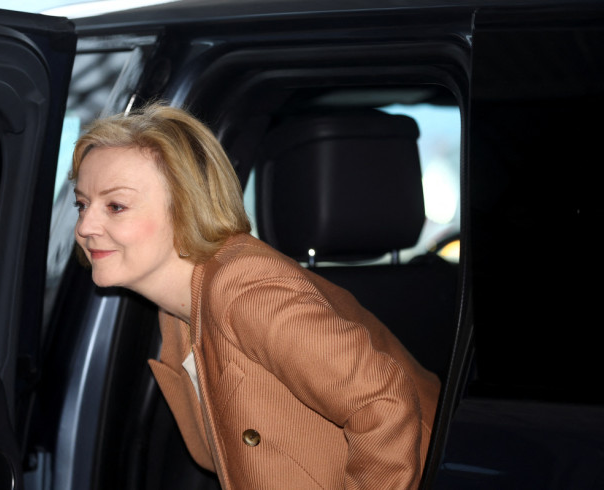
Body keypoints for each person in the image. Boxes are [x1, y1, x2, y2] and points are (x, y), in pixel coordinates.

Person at [70, 102, 441, 489]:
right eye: (83, 204)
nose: (85, 225)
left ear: (186, 208)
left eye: (116, 206)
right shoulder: (177, 311)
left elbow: (382, 401)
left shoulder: (246, 288)